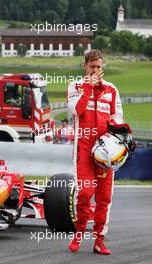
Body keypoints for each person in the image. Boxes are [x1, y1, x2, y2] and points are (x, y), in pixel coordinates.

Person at [67, 49, 124, 255]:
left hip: (105, 154)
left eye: (99, 67)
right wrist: (88, 89)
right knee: (85, 193)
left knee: (104, 197)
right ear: (85, 67)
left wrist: (121, 136)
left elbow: (117, 119)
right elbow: (76, 111)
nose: (96, 70)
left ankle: (99, 240)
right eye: (92, 67)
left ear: (103, 67)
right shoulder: (75, 86)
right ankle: (79, 232)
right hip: (83, 150)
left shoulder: (112, 90)